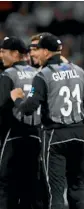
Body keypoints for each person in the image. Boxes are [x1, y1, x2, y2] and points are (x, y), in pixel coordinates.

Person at [10, 34, 84, 209]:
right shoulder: (79, 71)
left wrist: (16, 99)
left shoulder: (43, 75)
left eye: (37, 49)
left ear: (46, 51)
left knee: (55, 192)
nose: (35, 54)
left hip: (55, 135)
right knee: (78, 188)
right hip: (78, 133)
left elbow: (29, 108)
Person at [0, 36, 42, 209]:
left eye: (3, 52)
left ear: (15, 53)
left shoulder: (8, 74)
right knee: (30, 187)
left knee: (6, 186)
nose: (0, 55)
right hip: (36, 136)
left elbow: (2, 106)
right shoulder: (39, 74)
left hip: (12, 136)